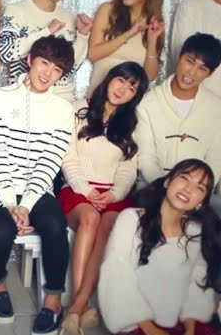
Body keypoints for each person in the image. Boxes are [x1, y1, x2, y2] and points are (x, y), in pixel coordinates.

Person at [134, 32, 221, 331]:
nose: (191, 72)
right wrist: (171, 191)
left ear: (210, 73)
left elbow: (216, 160)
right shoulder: (149, 102)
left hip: (199, 189)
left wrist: (195, 192)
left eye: (202, 68)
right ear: (179, 57)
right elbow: (146, 158)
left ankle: (212, 300)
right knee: (146, 214)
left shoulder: (218, 109)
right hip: (155, 183)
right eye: (189, 61)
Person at [0, 35, 74, 335]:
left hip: (36, 189)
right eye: (44, 63)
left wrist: (26, 205)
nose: (47, 73)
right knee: (1, 230)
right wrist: (10, 203)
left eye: (56, 69)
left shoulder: (63, 109)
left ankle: (53, 299)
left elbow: (50, 161)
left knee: (55, 226)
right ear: (30, 60)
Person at [58, 62, 149, 334]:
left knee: (109, 225)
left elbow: (128, 168)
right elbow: (67, 156)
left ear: (135, 96)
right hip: (77, 190)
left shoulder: (131, 123)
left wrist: (114, 194)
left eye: (132, 88)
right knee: (89, 218)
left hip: (112, 195)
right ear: (110, 79)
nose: (123, 89)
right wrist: (86, 190)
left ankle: (75, 309)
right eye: (121, 80)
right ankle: (81, 304)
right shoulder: (79, 109)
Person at [99, 159, 221, 335]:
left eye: (199, 188)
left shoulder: (195, 231)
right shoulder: (131, 219)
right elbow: (116, 274)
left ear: (200, 203)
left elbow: (197, 280)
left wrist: (190, 328)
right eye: (185, 178)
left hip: (179, 323)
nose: (188, 189)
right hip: (136, 325)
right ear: (167, 181)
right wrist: (150, 330)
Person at [0, 0, 91, 101]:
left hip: (62, 98)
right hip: (24, 98)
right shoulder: (16, 10)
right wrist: (47, 31)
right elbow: (6, 53)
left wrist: (83, 36)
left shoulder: (70, 18)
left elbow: (70, 68)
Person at [88, 0, 164, 94]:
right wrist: (129, 34)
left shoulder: (154, 22)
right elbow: (93, 54)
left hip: (129, 104)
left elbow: (149, 76)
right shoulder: (107, 10)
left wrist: (152, 42)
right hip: (97, 99)